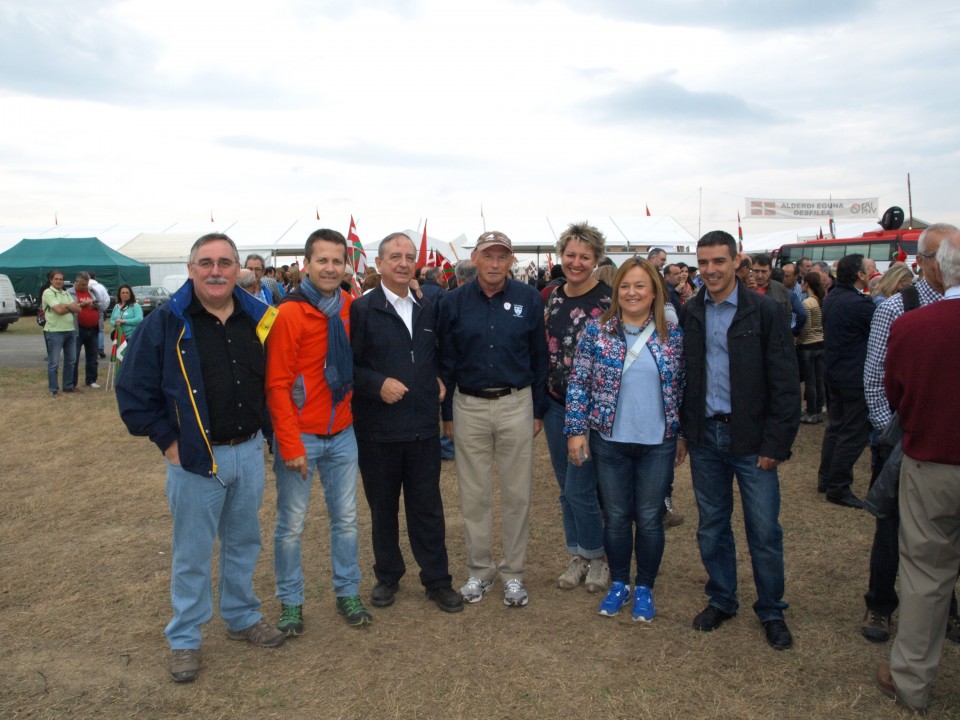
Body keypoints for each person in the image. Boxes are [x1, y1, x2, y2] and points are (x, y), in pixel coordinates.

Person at [115, 233, 284, 684]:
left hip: (248, 451)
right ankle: (185, 637)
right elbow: (133, 390)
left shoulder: (259, 317)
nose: (216, 271)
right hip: (195, 460)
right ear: (191, 270)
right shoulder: (166, 322)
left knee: (244, 542)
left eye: (225, 263)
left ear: (238, 270)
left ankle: (241, 615)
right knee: (192, 552)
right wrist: (167, 441)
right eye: (206, 262)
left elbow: (273, 382)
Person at [681, 230, 800, 651]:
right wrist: (685, 431)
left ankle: (771, 609)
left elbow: (786, 381)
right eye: (703, 262)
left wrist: (775, 443)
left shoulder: (765, 311)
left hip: (752, 439)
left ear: (737, 262)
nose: (710, 270)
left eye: (718, 261)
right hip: (705, 436)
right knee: (712, 526)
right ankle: (722, 598)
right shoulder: (691, 311)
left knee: (763, 529)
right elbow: (685, 377)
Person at [565, 257, 686, 621]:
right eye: (625, 286)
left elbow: (682, 387)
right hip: (610, 441)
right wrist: (576, 430)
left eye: (640, 286)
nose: (632, 293)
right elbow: (579, 382)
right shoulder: (597, 331)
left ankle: (645, 587)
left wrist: (681, 434)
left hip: (657, 443)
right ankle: (619, 583)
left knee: (649, 518)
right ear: (616, 291)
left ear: (654, 292)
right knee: (617, 517)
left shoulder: (672, 335)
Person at [350, 232, 462, 614]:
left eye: (409, 256)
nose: (402, 262)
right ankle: (387, 575)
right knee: (383, 509)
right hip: (378, 430)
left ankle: (437, 580)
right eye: (394, 256)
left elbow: (439, 354)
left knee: (427, 508)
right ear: (379, 264)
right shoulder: (362, 310)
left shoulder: (428, 307)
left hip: (422, 429)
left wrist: (439, 377)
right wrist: (376, 384)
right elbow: (349, 366)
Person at [266, 229, 371, 632]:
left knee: (346, 520)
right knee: (291, 526)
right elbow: (277, 384)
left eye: (337, 261)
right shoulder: (289, 313)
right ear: (306, 264)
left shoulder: (350, 306)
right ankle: (291, 602)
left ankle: (347, 592)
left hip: (342, 433)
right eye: (322, 260)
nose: (330, 268)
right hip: (301, 437)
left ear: (346, 266)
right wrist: (289, 444)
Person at [861, 224, 960, 645]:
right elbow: (874, 379)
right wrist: (893, 436)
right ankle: (880, 605)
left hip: (942, 444)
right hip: (903, 439)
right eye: (941, 255)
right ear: (923, 262)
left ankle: (946, 611)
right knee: (890, 528)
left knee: (941, 537)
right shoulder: (897, 307)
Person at [439, 230, 548, 608]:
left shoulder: (528, 298)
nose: (495, 263)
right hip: (468, 405)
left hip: (516, 402)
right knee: (475, 495)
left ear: (511, 261)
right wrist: (447, 414)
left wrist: (537, 411)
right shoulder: (453, 301)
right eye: (488, 256)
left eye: (502, 256)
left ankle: (513, 572)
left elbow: (539, 357)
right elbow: (446, 359)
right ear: (475, 259)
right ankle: (480, 571)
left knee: (517, 494)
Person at [542, 222, 612, 594]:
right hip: (556, 405)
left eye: (585, 256)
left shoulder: (610, 300)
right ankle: (578, 554)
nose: (576, 262)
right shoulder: (552, 297)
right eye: (570, 254)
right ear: (561, 256)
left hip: (592, 411)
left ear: (596, 259)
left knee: (581, 486)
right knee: (565, 487)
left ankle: (598, 558)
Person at [816, 254, 875, 507]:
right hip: (853, 377)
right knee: (853, 432)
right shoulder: (858, 304)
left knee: (836, 428)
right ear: (859, 274)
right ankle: (838, 485)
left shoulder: (834, 297)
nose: (871, 273)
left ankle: (826, 478)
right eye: (868, 269)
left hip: (835, 373)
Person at [41, 270, 79, 396]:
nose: (59, 281)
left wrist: (66, 306)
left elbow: (78, 308)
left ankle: (68, 386)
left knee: (71, 361)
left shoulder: (65, 293)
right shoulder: (48, 292)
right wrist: (69, 307)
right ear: (51, 280)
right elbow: (58, 310)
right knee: (54, 363)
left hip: (70, 330)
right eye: (56, 279)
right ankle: (53, 389)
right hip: (54, 331)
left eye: (61, 279)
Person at [797, 272, 826, 425]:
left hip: (808, 345)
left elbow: (806, 327)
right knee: (819, 380)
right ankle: (819, 409)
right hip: (821, 343)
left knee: (810, 382)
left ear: (807, 283)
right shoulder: (821, 301)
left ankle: (811, 412)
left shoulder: (807, 303)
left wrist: (799, 341)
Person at [68, 272, 102, 389]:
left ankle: (91, 380)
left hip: (93, 329)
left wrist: (96, 306)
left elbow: (102, 304)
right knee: (74, 357)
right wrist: (81, 304)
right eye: (82, 284)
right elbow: (69, 307)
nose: (84, 287)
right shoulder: (70, 293)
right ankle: (72, 382)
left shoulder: (92, 291)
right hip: (78, 329)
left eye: (86, 284)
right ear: (76, 282)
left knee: (93, 357)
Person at [87, 271, 111, 358]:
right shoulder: (100, 287)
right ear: (95, 277)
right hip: (98, 310)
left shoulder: (82, 286)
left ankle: (89, 349)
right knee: (100, 330)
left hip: (85, 311)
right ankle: (100, 348)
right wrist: (103, 309)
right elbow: (107, 299)